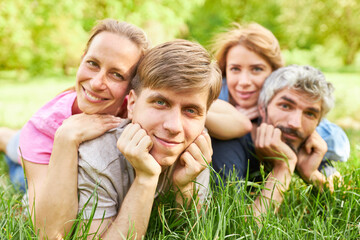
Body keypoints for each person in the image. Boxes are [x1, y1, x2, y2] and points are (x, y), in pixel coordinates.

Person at [18, 19, 150, 239]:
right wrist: (66, 139)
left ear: (132, 87)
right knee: (15, 160)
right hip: (40, 153)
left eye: (117, 74)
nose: (97, 82)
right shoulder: (41, 129)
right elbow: (49, 232)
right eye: (92, 63)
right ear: (81, 61)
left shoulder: (137, 110)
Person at [76, 39, 222, 238]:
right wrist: (146, 178)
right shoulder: (97, 155)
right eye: (160, 102)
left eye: (191, 110)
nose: (174, 127)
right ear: (132, 104)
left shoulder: (194, 145)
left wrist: (184, 187)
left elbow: (194, 232)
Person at [210, 22, 350, 181]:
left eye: (256, 69)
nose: (244, 82)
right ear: (225, 70)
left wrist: (307, 135)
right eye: (235, 69)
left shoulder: (285, 103)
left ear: (274, 73)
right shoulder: (217, 94)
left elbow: (340, 144)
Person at [216, 65, 341, 217]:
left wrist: (311, 174)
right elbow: (240, 229)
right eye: (285, 106)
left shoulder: (307, 147)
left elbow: (340, 207)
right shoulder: (229, 146)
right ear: (262, 108)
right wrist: (283, 167)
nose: (295, 123)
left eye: (309, 114)